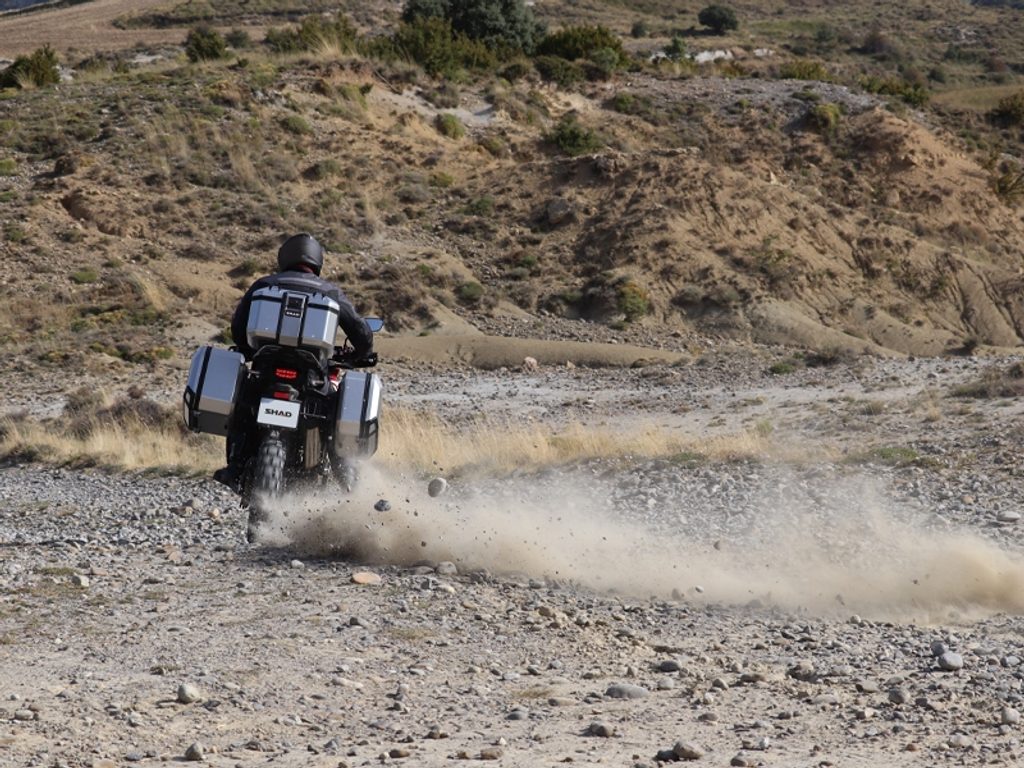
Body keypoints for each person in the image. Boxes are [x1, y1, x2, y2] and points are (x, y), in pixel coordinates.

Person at [213, 233, 373, 490]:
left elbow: (238, 326)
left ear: (284, 257)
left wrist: (246, 348)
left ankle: (235, 467)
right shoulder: (329, 291)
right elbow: (360, 331)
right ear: (317, 261)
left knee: (242, 406)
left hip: (266, 371)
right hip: (311, 378)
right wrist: (360, 354)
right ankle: (346, 480)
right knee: (333, 414)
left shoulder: (264, 285)